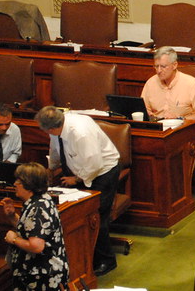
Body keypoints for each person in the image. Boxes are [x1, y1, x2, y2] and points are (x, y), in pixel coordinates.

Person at [37, 105, 120, 276]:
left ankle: (106, 260)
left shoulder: (81, 133)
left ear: (51, 128)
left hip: (102, 172)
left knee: (95, 216)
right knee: (77, 214)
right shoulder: (58, 128)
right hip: (81, 170)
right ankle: (84, 256)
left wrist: (76, 179)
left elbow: (95, 163)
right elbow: (55, 149)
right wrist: (51, 168)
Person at [1, 162, 69, 291]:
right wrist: (12, 216)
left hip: (41, 277)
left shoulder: (38, 209)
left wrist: (14, 239)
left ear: (28, 184)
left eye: (18, 181)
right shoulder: (41, 200)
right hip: (38, 273)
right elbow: (31, 231)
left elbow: (36, 246)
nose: (14, 184)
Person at [141, 46, 195, 121]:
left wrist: (180, 119)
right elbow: (144, 108)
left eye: (163, 66)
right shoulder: (151, 83)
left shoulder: (192, 84)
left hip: (182, 125)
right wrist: (147, 113)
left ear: (174, 65)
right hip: (156, 124)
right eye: (156, 66)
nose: (159, 70)